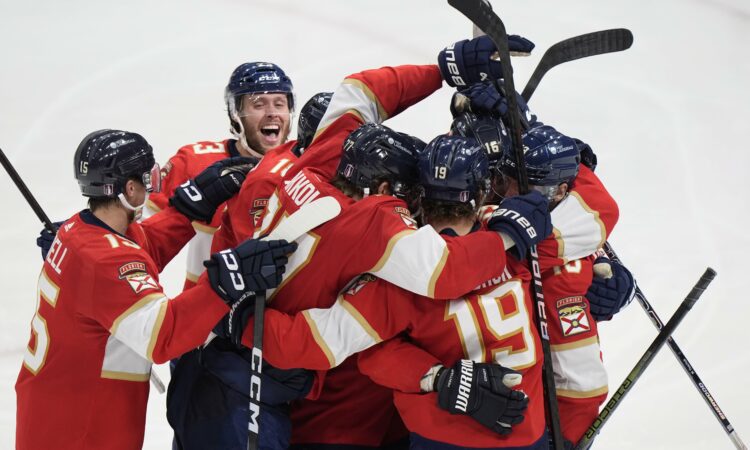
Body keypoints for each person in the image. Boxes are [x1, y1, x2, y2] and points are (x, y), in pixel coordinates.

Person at [227, 135, 552, 449]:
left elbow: (320, 344)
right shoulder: (520, 236)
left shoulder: (397, 273)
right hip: (528, 430)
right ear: (482, 193)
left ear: (418, 193)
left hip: (443, 434)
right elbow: (572, 212)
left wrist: (239, 319)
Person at [15, 129, 294, 450]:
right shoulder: (105, 260)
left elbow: (139, 250)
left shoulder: (79, 229)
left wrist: (189, 208)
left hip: (55, 409)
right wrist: (226, 280)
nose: (153, 185)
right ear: (130, 189)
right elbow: (163, 336)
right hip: (82, 428)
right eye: (147, 178)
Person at [144, 61, 296, 291]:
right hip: (206, 306)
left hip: (285, 309)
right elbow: (140, 241)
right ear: (236, 114)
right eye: (258, 104)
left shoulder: (305, 167)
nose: (272, 113)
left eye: (279, 104)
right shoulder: (193, 163)